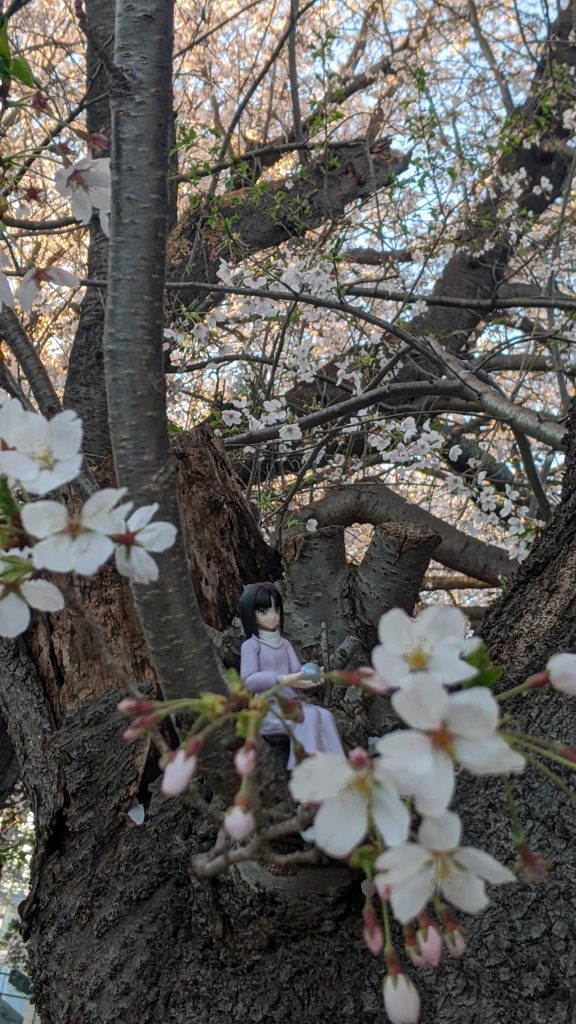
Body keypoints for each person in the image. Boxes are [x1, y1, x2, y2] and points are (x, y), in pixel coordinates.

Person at [239, 582, 345, 768]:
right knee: (309, 716)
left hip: (290, 705)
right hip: (268, 710)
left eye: (276, 610)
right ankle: (303, 767)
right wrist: (280, 679)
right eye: (264, 611)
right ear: (250, 614)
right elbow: (248, 681)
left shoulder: (284, 644)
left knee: (325, 715)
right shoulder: (251, 646)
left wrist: (310, 678)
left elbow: (296, 674)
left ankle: (339, 767)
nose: (273, 616)